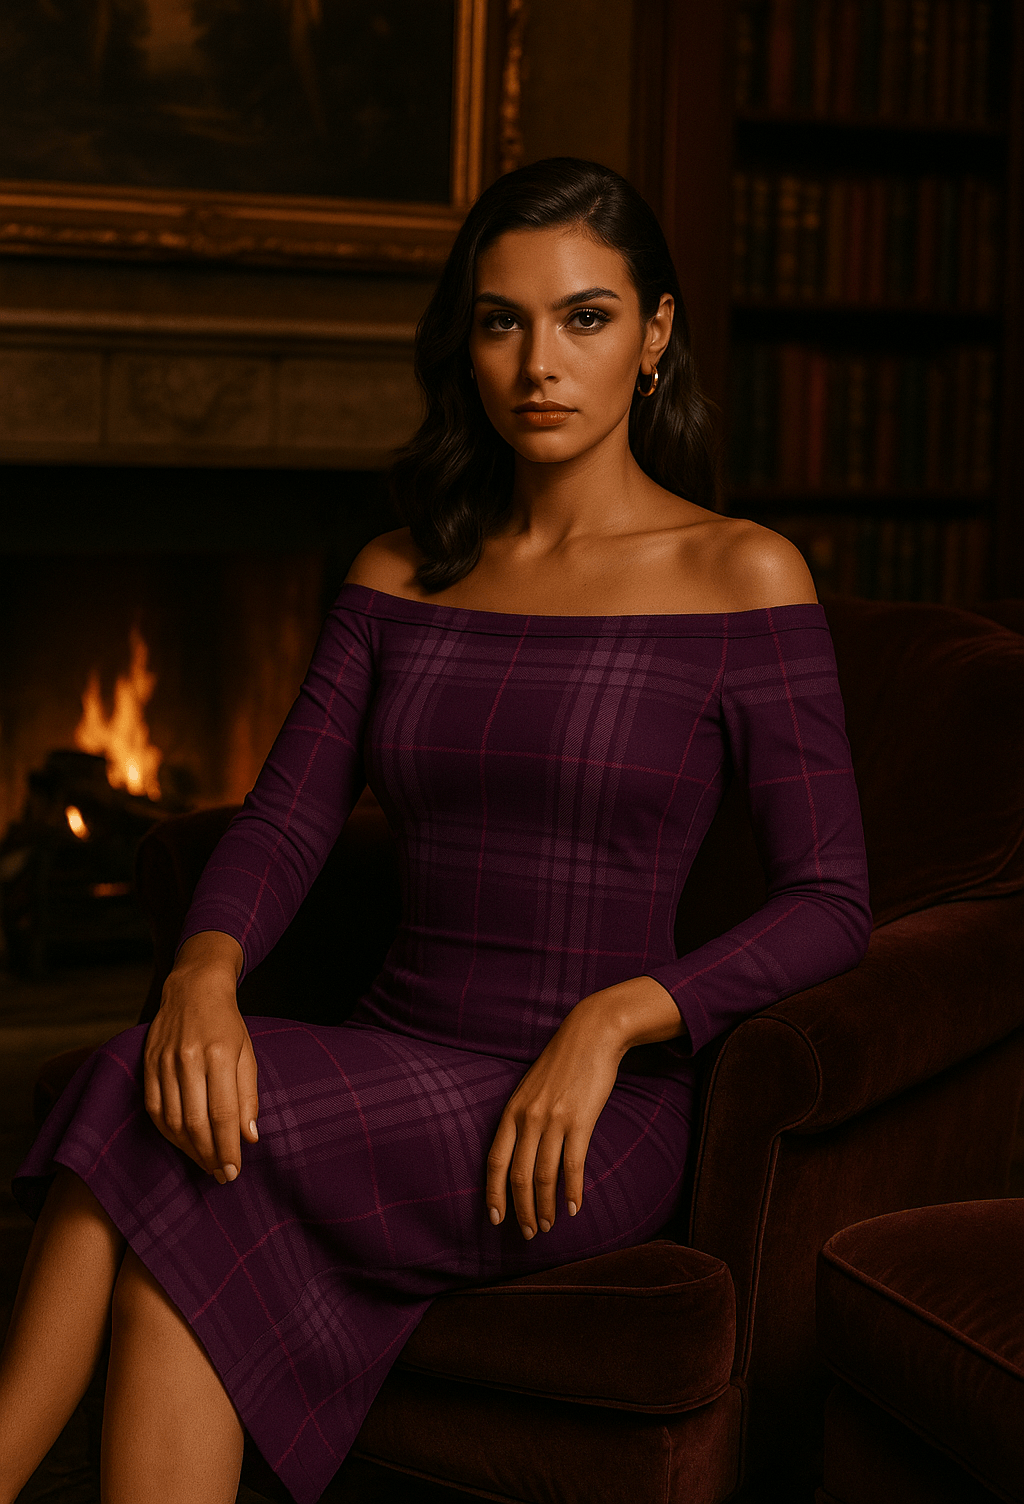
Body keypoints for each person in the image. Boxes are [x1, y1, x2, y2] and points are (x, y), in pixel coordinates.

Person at [0, 157, 871, 1504]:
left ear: (656, 336)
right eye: (501, 319)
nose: (540, 360)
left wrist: (618, 1020)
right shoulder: (401, 571)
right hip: (392, 1057)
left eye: (585, 317)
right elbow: (288, 811)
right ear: (463, 340)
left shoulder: (741, 575)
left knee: (133, 1097)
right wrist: (201, 971)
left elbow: (831, 897)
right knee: (188, 1195)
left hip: (586, 1122)